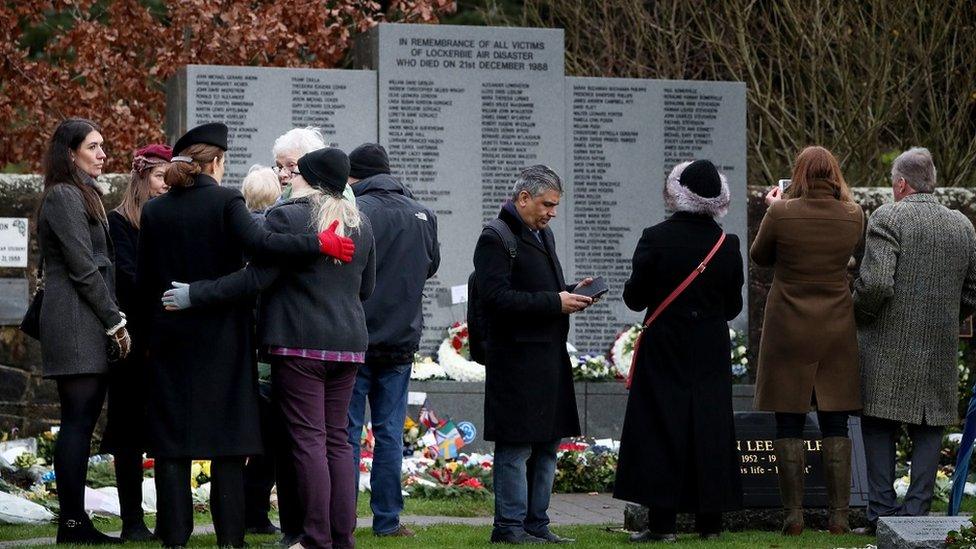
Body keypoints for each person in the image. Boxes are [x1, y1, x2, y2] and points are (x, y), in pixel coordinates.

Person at [136, 123, 355, 548]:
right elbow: (263, 243)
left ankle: (174, 539)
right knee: (227, 447)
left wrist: (150, 339)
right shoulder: (225, 201)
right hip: (223, 339)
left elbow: (145, 285)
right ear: (216, 162)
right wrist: (318, 243)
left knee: (172, 447)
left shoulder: (154, 211)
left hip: (169, 339)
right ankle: (231, 540)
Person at [614, 160, 744, 542]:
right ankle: (710, 525)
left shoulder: (655, 237)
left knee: (661, 426)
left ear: (677, 192)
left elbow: (635, 298)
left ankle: (663, 525)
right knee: (711, 427)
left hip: (665, 345)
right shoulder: (726, 243)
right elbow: (733, 307)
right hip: (709, 348)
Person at [854, 147, 976, 533]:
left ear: (901, 184)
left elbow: (875, 283)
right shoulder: (962, 225)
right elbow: (973, 291)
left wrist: (861, 317)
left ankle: (881, 514)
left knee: (878, 424)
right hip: (939, 345)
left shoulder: (888, 217)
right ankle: (917, 515)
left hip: (887, 341)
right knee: (929, 427)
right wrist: (946, 319)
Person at [473, 165, 594, 545]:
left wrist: (571, 292)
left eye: (555, 206)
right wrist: (555, 302)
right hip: (516, 360)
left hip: (547, 358)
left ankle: (537, 524)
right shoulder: (495, 237)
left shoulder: (543, 235)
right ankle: (509, 527)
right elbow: (495, 298)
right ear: (523, 198)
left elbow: (540, 291)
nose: (552, 212)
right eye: (547, 204)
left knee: (547, 444)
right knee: (516, 446)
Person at [751, 145, 865, 535]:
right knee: (836, 420)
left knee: (789, 420)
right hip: (835, 324)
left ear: (798, 174)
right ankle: (838, 517)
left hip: (789, 324)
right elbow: (851, 257)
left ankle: (793, 516)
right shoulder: (854, 214)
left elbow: (760, 255)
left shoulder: (781, 212)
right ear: (833, 173)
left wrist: (772, 207)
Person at [36, 118, 130, 545]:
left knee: (83, 418)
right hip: (75, 320)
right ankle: (72, 524)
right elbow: (82, 265)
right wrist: (114, 319)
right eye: (93, 146)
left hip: (86, 318)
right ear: (70, 152)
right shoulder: (62, 196)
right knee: (76, 420)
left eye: (102, 146)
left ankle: (74, 522)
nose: (102, 154)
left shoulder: (82, 194)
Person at [345, 143, 439, 538]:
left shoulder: (355, 211)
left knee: (345, 434)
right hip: (401, 340)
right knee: (388, 434)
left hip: (355, 336)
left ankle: (342, 519)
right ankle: (387, 520)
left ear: (355, 177)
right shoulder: (422, 214)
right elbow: (431, 265)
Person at [102, 142, 171, 542]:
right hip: (131, 342)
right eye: (160, 176)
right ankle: (132, 521)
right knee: (128, 434)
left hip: (164, 342)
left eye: (169, 177)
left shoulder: (168, 220)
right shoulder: (119, 223)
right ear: (142, 177)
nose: (165, 185)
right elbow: (126, 278)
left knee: (163, 432)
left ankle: (167, 518)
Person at [273, 127, 355, 203]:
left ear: (312, 167)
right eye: (280, 167)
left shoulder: (334, 203)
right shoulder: (282, 201)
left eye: (291, 165)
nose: (282, 174)